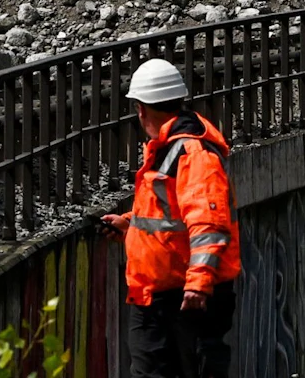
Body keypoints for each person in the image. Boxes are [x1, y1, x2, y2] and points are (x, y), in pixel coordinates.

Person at [102, 58, 241, 378]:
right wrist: (129, 226)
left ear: (141, 109)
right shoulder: (169, 150)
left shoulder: (193, 155)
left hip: (184, 298)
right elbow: (168, 217)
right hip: (161, 295)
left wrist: (198, 284)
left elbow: (209, 226)